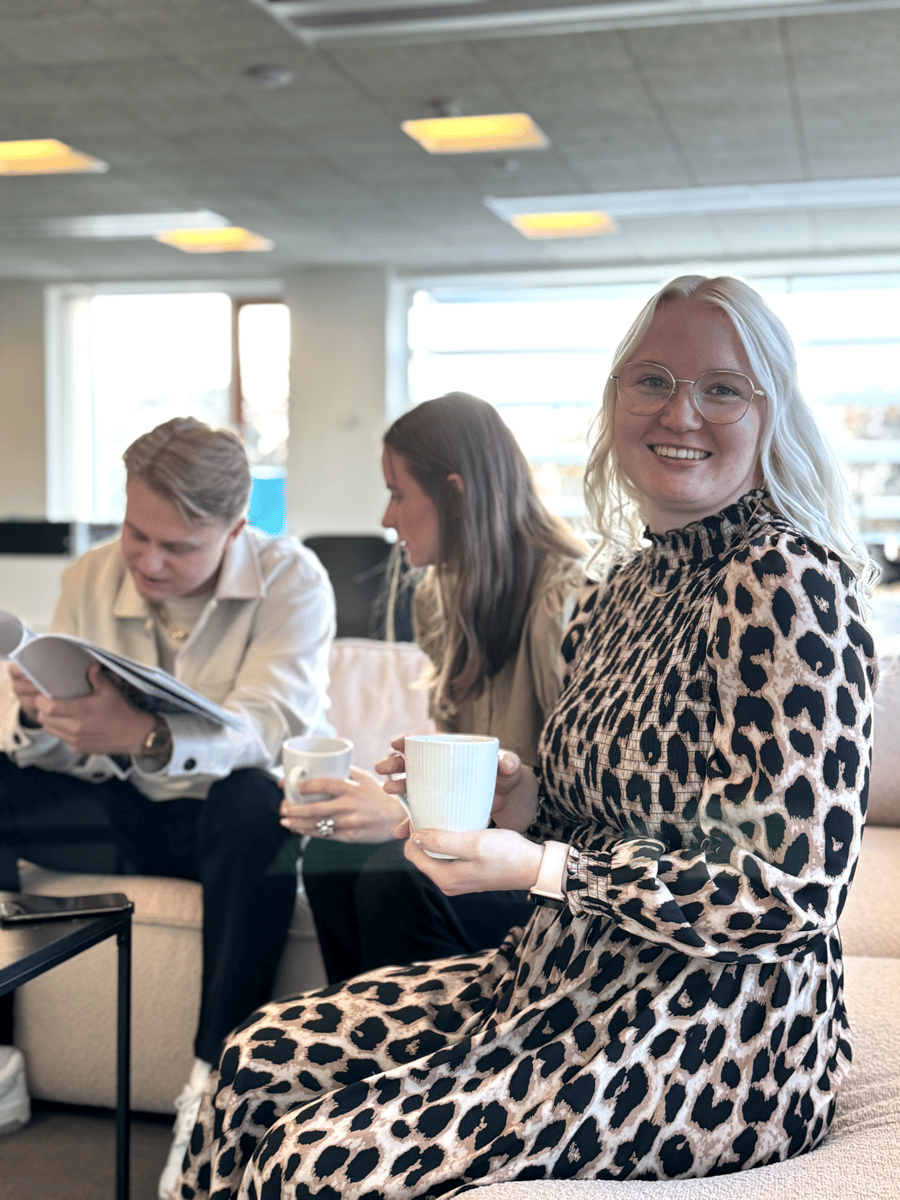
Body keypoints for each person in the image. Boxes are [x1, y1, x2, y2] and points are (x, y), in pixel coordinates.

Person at [175, 276, 878, 1198]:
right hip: (558, 978)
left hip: (715, 1032)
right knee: (256, 1061)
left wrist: (537, 866)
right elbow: (609, 810)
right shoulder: (625, 588)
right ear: (616, 399)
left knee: (319, 1162)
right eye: (652, 380)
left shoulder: (788, 582)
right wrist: (529, 801)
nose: (681, 412)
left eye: (722, 389)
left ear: (771, 413)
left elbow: (788, 895)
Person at [0, 417, 335, 1200]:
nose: (148, 561)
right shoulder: (91, 574)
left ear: (236, 528)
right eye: (135, 532)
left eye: (178, 547)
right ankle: (0, 1057)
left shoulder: (295, 579)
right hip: (124, 813)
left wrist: (147, 734)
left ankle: (212, 1083)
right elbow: (68, 753)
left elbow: (266, 728)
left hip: (238, 829)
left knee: (252, 800)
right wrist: (38, 717)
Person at [287, 392, 585, 982]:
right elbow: (462, 782)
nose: (385, 518)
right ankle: (357, 1049)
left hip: (550, 872)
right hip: (484, 850)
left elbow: (580, 807)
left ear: (455, 492)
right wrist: (398, 802)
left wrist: (402, 816)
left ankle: (433, 1066)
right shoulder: (438, 600)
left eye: (398, 494)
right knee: (328, 854)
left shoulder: (568, 603)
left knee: (397, 883)